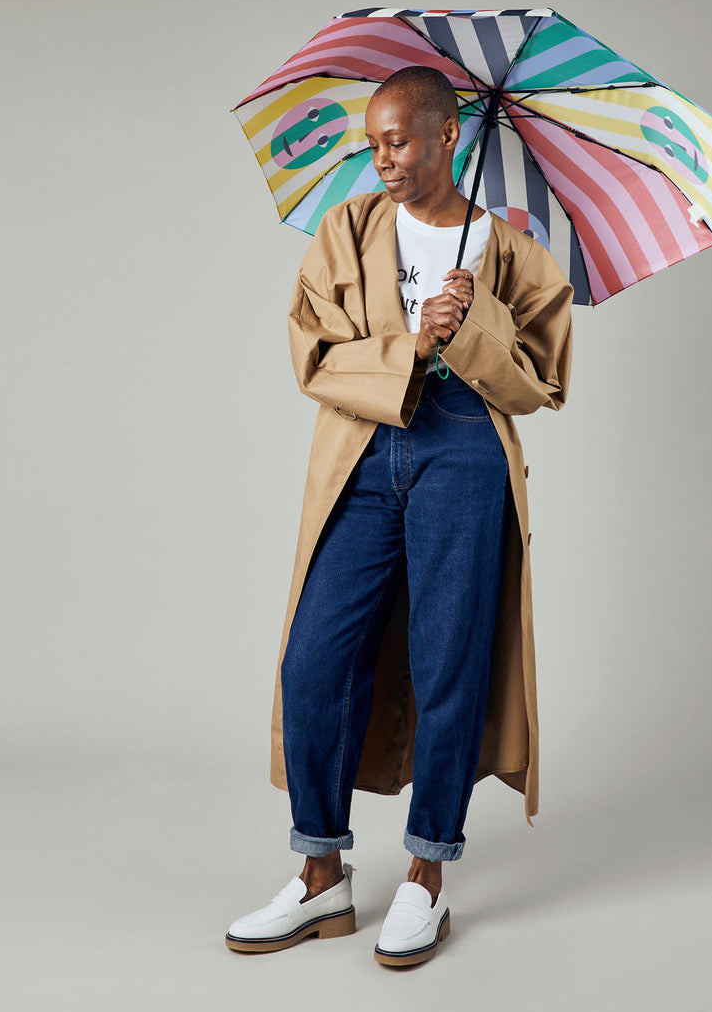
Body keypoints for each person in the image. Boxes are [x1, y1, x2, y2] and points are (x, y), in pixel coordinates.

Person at [226, 66, 574, 966]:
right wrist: (412, 344)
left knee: (449, 652)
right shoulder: (345, 230)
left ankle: (426, 875)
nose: (383, 159)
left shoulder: (506, 244)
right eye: (374, 143)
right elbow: (312, 352)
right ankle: (320, 877)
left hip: (464, 448)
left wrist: (479, 323)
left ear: (448, 136)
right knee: (314, 657)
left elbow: (543, 380)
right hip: (364, 443)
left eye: (401, 141)